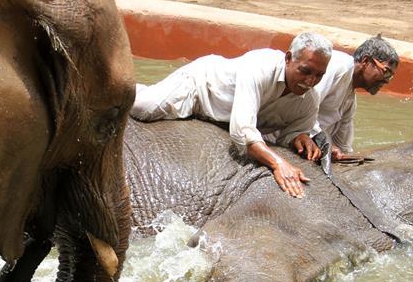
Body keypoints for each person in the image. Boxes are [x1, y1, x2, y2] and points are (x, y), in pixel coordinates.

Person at [130, 32, 333, 197]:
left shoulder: (310, 100)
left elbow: (290, 134)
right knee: (144, 108)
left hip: (228, 118)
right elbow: (242, 132)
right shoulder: (259, 66)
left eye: (319, 75)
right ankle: (125, 89)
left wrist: (299, 137)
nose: (311, 81)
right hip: (201, 89)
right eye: (305, 71)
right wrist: (279, 163)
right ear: (288, 59)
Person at [310, 35, 400, 161]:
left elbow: (344, 146)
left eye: (390, 76)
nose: (387, 81)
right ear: (366, 61)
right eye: (386, 72)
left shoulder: (350, 101)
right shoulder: (338, 67)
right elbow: (303, 109)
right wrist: (325, 143)